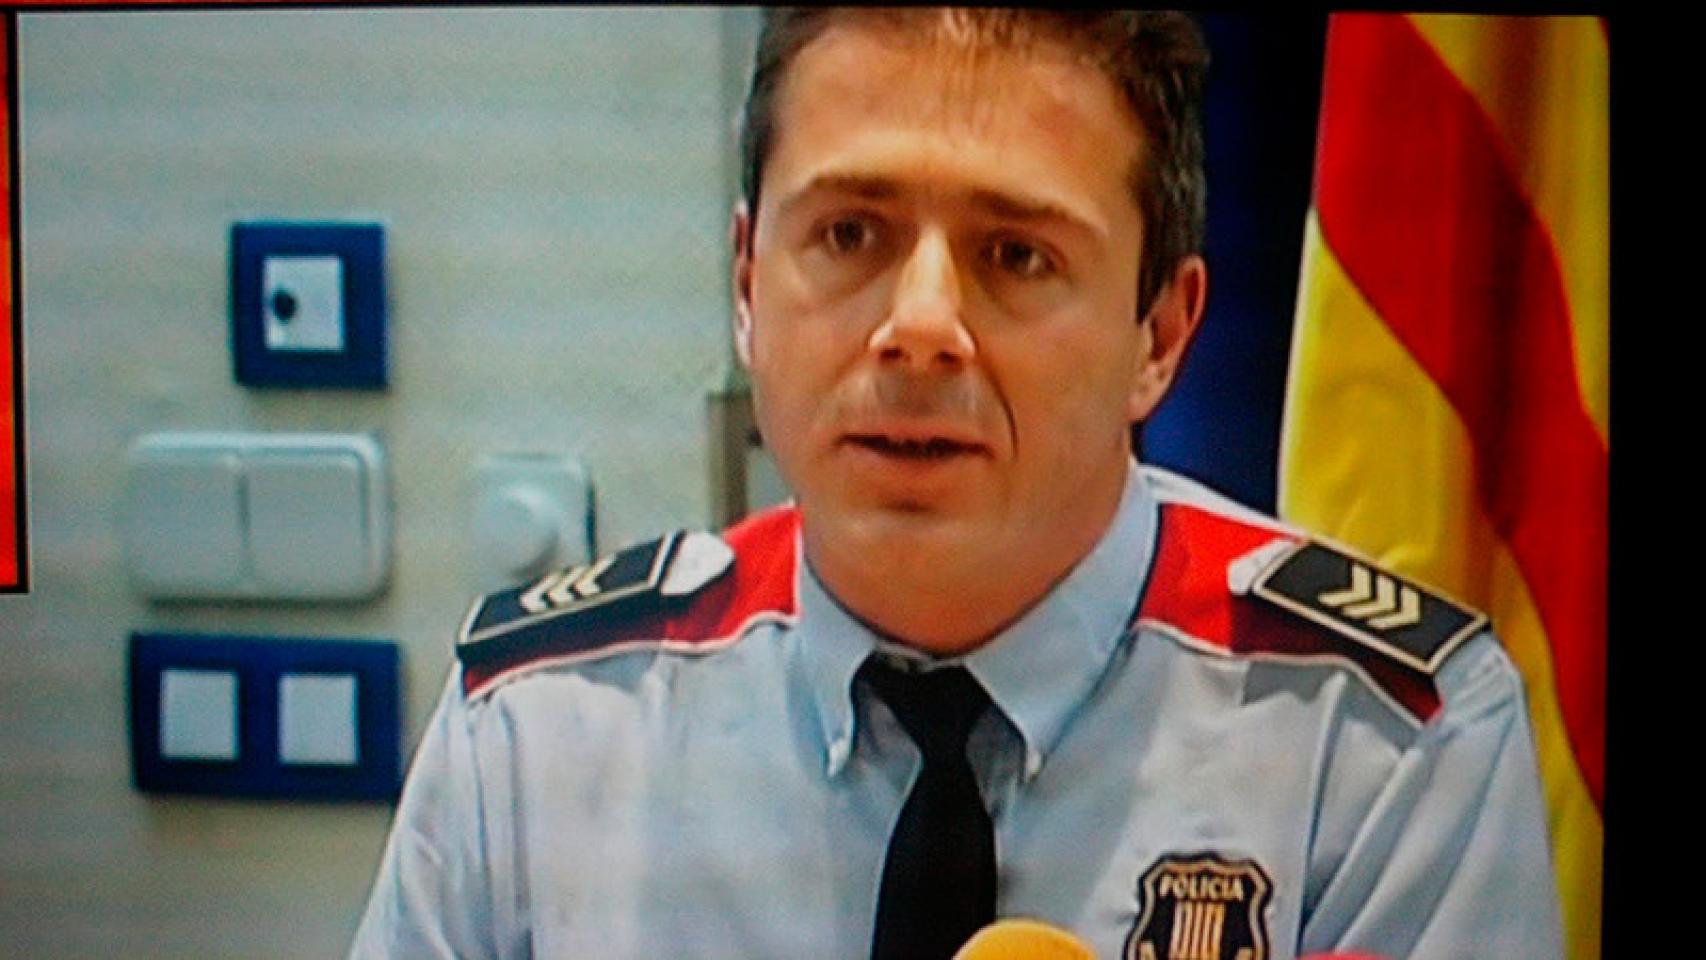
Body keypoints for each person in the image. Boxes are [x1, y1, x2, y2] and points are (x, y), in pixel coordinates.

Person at [350, 9, 1564, 959]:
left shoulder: (1378, 744)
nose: (919, 328)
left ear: (1159, 334)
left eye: (1014, 255)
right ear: (745, 283)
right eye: (849, 235)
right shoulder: (538, 729)